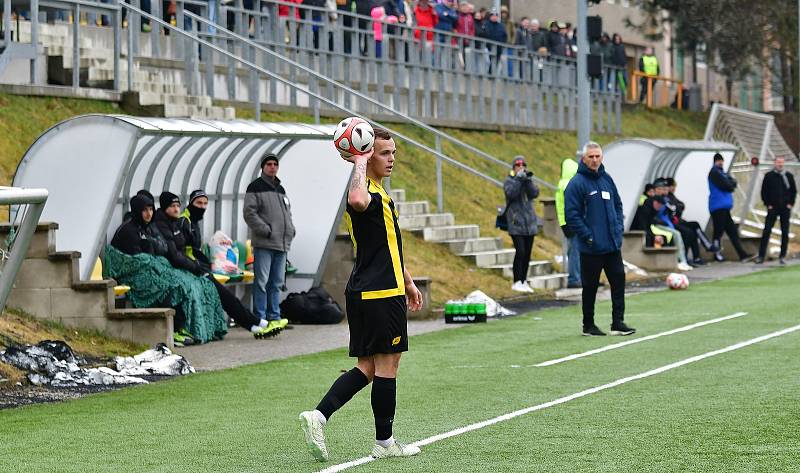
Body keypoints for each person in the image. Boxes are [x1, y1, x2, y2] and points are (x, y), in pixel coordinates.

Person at [299, 127, 424, 462]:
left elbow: (389, 247)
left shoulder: (379, 193)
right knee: (388, 364)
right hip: (381, 293)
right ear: (367, 155)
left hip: (375, 289)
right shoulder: (363, 190)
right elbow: (356, 199)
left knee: (368, 367)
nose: (391, 159)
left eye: (393, 152)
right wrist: (359, 160)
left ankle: (319, 416)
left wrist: (409, 281)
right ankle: (384, 443)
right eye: (384, 153)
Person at [156, 191, 278, 339]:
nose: (202, 207)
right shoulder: (183, 222)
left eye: (205, 204)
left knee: (223, 295)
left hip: (195, 267)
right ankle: (255, 323)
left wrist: (202, 265)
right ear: (191, 203)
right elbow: (181, 253)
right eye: (198, 203)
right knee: (224, 295)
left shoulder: (184, 222)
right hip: (190, 270)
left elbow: (190, 251)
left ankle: (254, 323)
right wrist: (198, 267)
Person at [565, 142, 635, 337]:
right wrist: (588, 236)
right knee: (590, 287)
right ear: (583, 158)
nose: (595, 160)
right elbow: (572, 215)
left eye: (597, 156)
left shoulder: (607, 179)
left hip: (612, 245)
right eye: (591, 157)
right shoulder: (576, 183)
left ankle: (618, 322)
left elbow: (618, 205)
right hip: (591, 248)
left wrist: (618, 229)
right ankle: (588, 325)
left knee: (618, 282)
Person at [110, 194, 195, 346]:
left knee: (178, 283)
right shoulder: (129, 230)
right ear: (137, 211)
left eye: (151, 209)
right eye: (145, 210)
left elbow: (158, 251)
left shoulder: (146, 228)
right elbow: (135, 261)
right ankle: (169, 331)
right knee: (166, 287)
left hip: (147, 270)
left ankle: (178, 328)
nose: (149, 214)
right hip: (128, 275)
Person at [244, 154, 296, 334]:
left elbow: (288, 214)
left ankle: (274, 316)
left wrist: (291, 230)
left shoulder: (280, 189)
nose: (272, 167)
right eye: (269, 164)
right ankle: (260, 317)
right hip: (265, 243)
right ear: (262, 167)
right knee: (261, 282)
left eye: (275, 164)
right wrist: (266, 230)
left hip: (282, 244)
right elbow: (249, 214)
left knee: (276, 283)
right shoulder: (255, 187)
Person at [504, 156, 540, 293]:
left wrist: (527, 180)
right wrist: (518, 179)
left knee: (528, 254)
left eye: (523, 165)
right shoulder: (509, 181)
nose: (520, 167)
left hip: (529, 223)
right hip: (516, 222)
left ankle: (524, 281)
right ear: (513, 167)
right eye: (517, 165)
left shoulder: (526, 181)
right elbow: (511, 194)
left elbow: (535, 193)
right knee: (520, 252)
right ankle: (516, 281)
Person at [708, 153, 752, 262]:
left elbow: (733, 182)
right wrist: (730, 185)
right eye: (719, 161)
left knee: (732, 231)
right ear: (715, 161)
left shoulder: (722, 173)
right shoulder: (714, 173)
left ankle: (742, 254)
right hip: (718, 206)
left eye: (722, 161)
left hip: (724, 206)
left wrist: (730, 185)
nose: (721, 163)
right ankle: (716, 254)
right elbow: (727, 185)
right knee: (718, 231)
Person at [756, 156, 797, 264]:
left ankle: (782, 256)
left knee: (785, 232)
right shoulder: (769, 176)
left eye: (782, 162)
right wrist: (768, 204)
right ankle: (761, 256)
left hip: (785, 208)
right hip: (773, 208)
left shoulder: (788, 176)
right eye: (778, 162)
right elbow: (764, 191)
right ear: (775, 163)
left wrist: (790, 204)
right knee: (767, 231)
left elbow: (793, 191)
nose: (780, 164)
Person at [556, 158, 581, 289]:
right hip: (572, 222)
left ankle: (578, 277)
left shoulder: (563, 183)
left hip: (566, 222)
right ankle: (574, 279)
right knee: (575, 252)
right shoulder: (569, 184)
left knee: (575, 251)